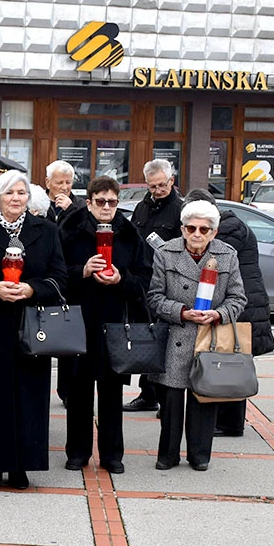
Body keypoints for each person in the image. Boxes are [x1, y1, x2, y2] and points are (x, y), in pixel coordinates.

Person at [0, 170, 68, 489]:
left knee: (27, 397)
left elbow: (60, 277)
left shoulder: (45, 230)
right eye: (9, 193)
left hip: (29, 326)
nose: (16, 198)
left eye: (21, 193)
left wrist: (32, 290)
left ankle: (22, 466)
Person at [59, 176, 151, 475]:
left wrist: (121, 278)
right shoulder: (70, 230)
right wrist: (82, 271)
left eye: (112, 202)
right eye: (101, 201)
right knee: (78, 391)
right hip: (79, 319)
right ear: (89, 202)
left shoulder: (128, 232)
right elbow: (56, 274)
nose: (107, 207)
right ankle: (77, 452)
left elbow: (144, 278)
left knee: (111, 392)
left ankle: (112, 455)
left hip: (114, 321)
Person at [148, 200, 246, 471]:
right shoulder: (166, 252)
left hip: (209, 337)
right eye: (191, 227)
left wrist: (218, 314)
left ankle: (199, 454)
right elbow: (154, 297)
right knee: (170, 403)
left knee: (204, 396)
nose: (197, 234)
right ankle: (167, 455)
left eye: (204, 229)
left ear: (214, 232)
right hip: (175, 335)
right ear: (182, 228)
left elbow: (238, 298)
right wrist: (180, 312)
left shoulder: (227, 255)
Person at [183, 189, 274, 437]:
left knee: (234, 362)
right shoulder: (229, 225)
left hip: (242, 306)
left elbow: (212, 266)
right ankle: (227, 421)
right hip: (244, 302)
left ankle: (231, 424)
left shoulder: (229, 230)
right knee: (228, 360)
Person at [125, 158, 183, 413]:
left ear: (171, 181)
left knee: (164, 342)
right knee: (145, 340)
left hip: (168, 286)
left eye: (161, 185)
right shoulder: (142, 207)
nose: (157, 191)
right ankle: (147, 393)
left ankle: (163, 396)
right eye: (152, 187)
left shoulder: (180, 210)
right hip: (142, 283)